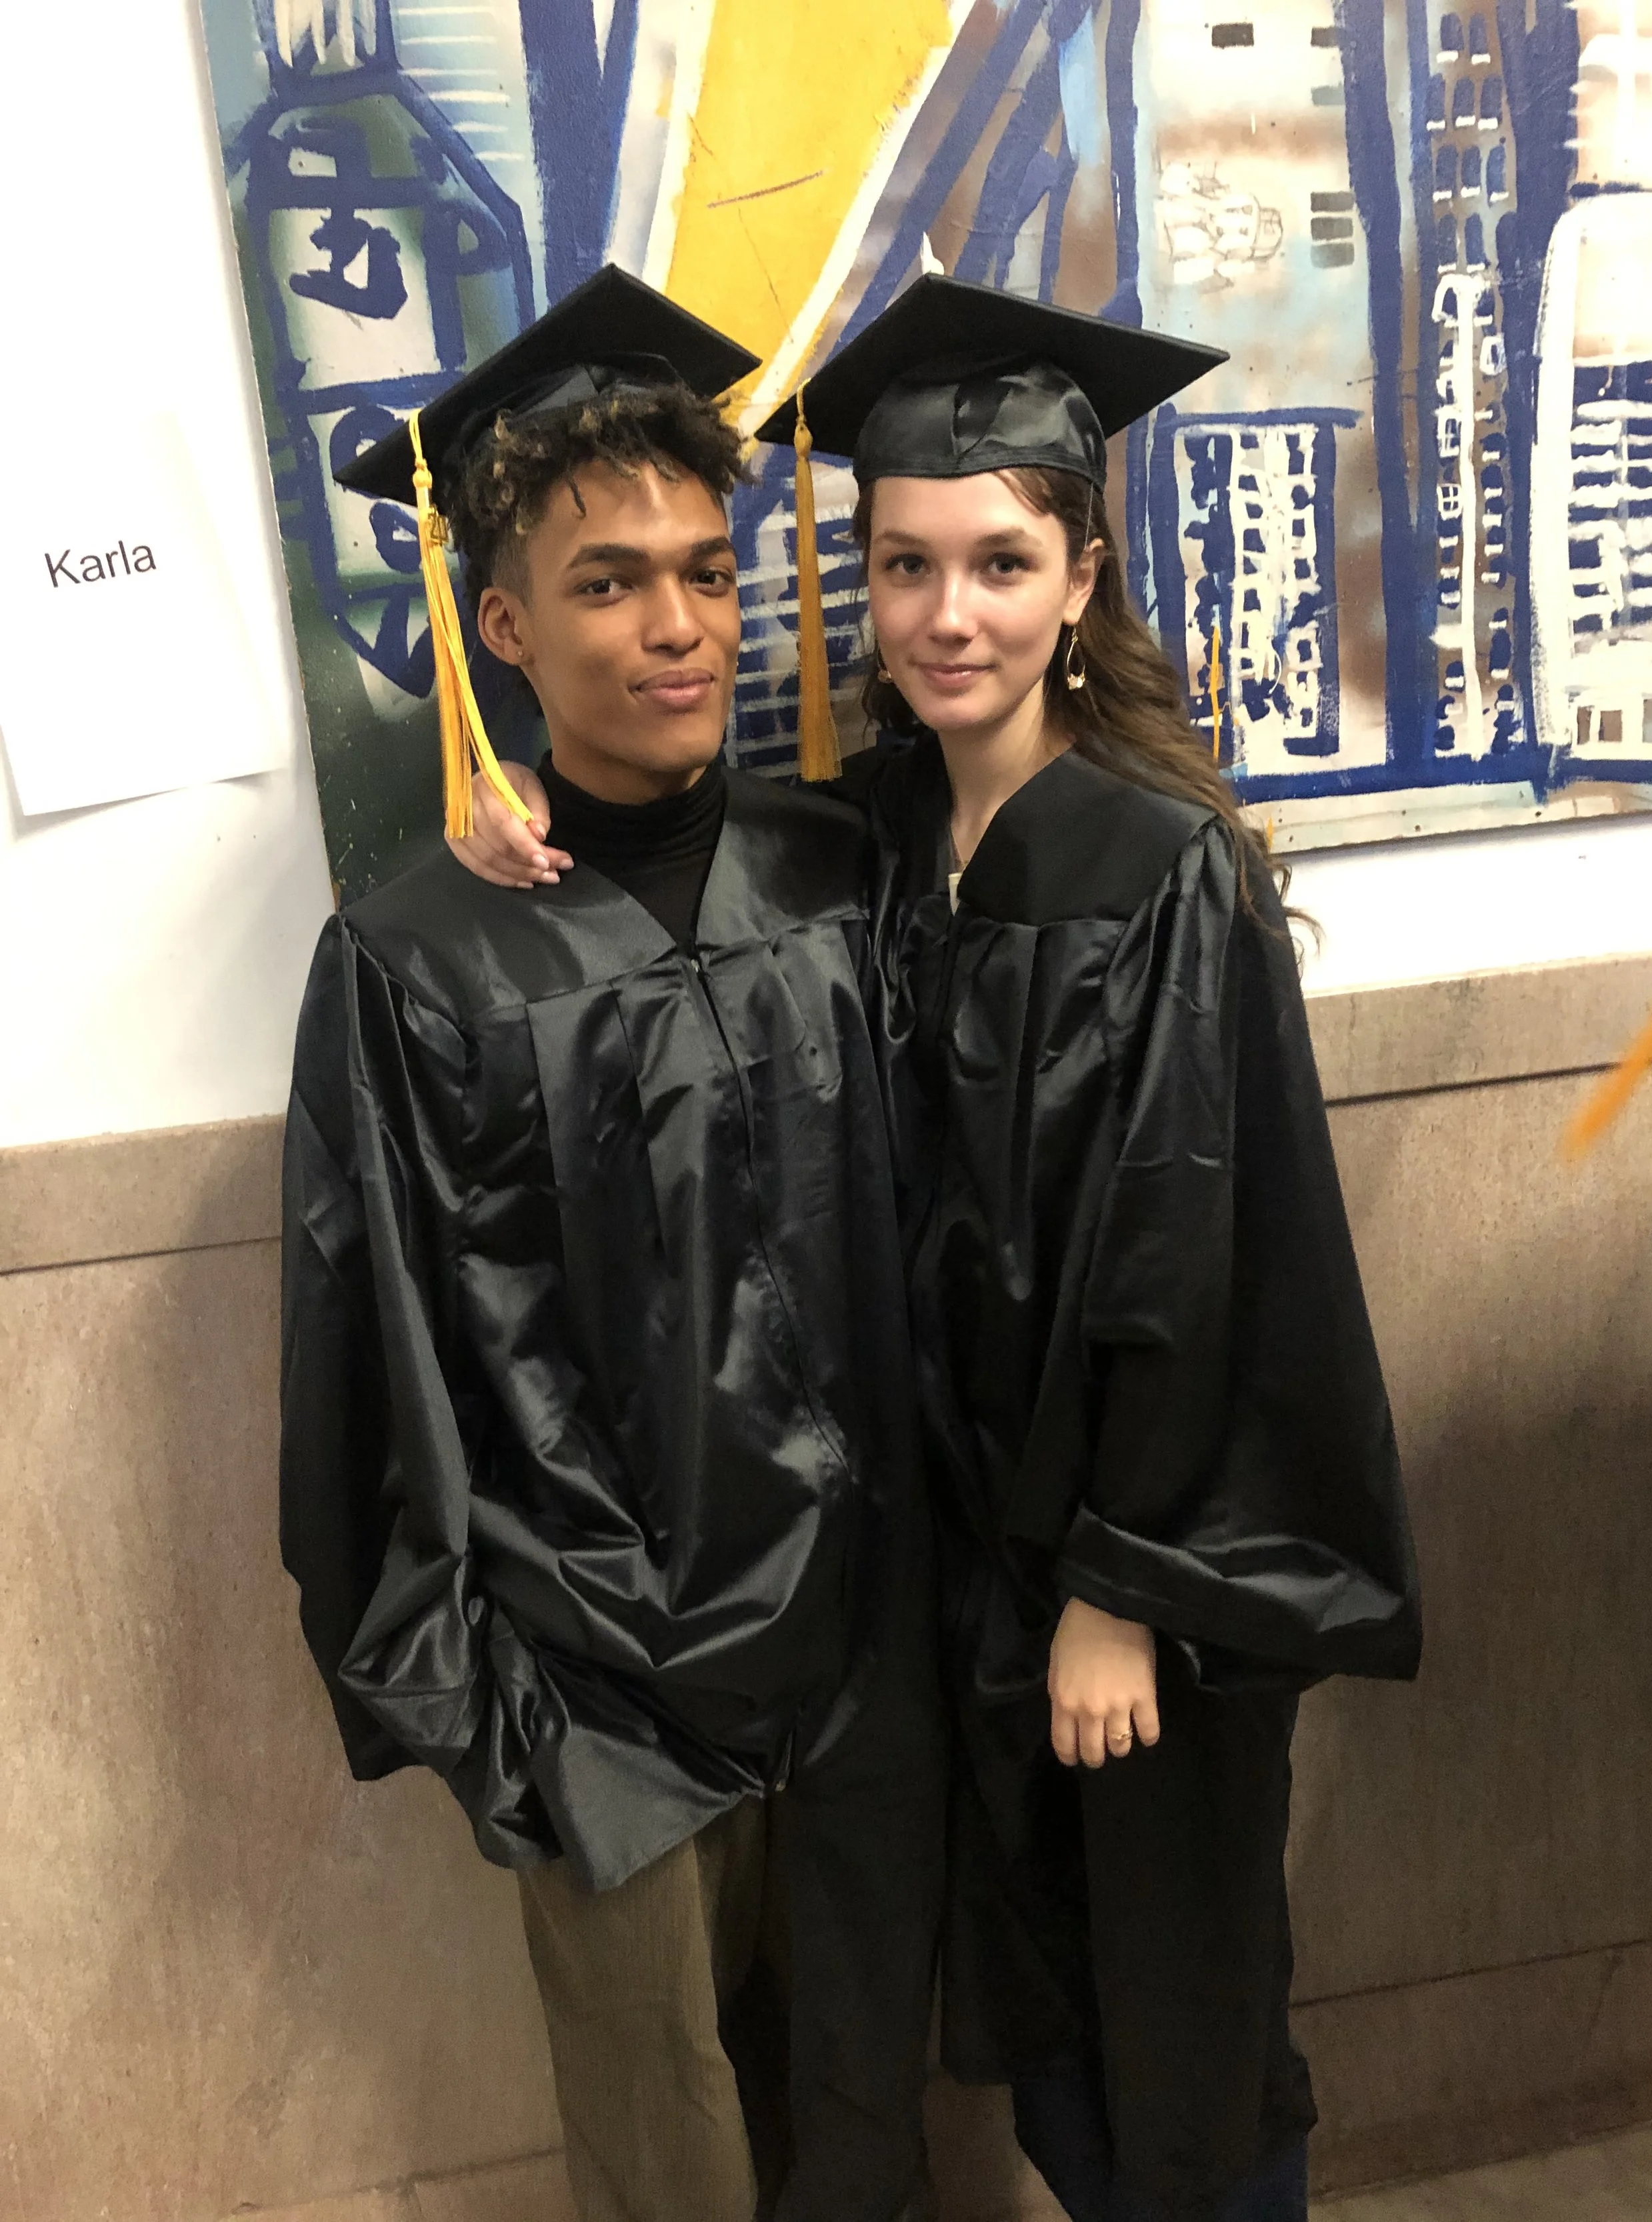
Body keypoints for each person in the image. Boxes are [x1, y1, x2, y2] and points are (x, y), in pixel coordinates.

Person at [451, 274, 1422, 2221]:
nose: (945, 613)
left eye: (996, 561)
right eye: (903, 565)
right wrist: (490, 815)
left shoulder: (1154, 873)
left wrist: (1119, 1583)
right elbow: (656, 864)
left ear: (1078, 578)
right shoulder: (873, 842)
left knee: (1182, 2029)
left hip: (1126, 1585)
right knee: (1052, 2022)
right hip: (968, 1577)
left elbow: (1192, 1261)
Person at [279, 265, 943, 2222]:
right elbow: (365, 1356)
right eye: (603, 582)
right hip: (599, 1681)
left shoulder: (847, 873)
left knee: (861, 2129)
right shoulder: (414, 963)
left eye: (705, 573)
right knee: (675, 2161)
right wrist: (473, 1698)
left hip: (860, 1637)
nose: (675, 624)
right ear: (499, 625)